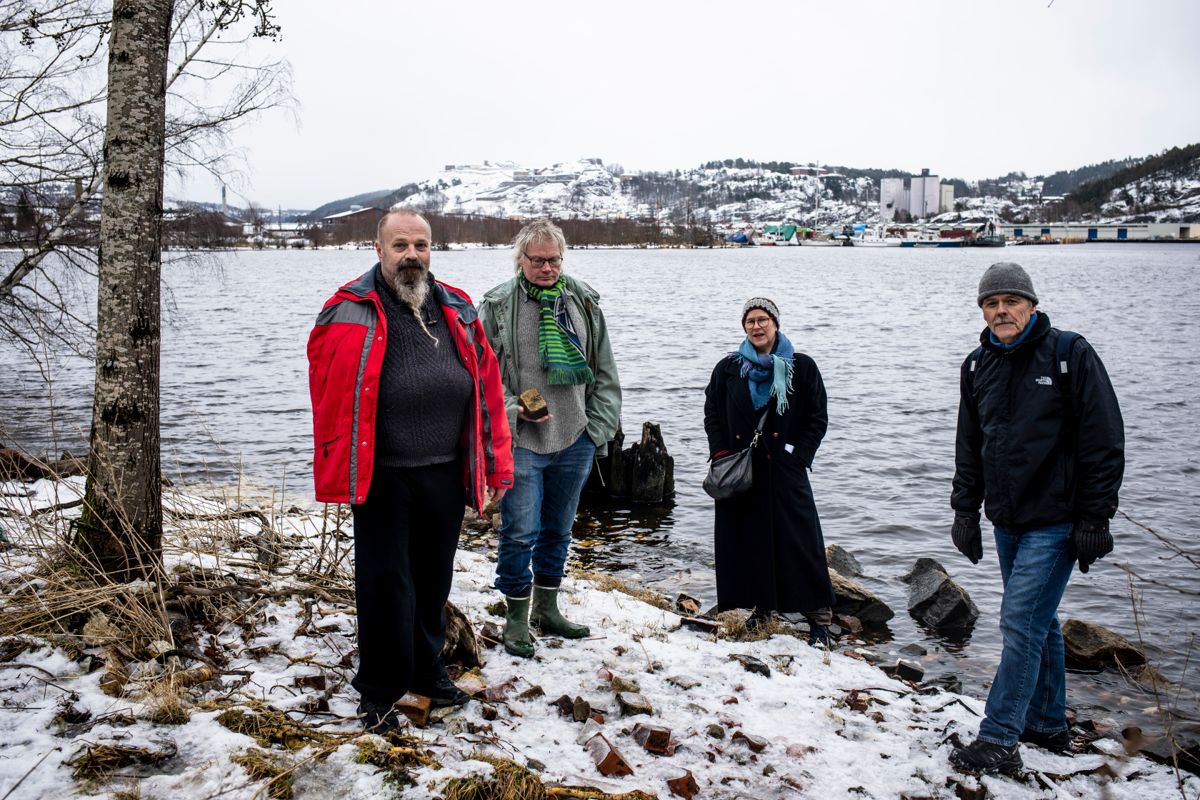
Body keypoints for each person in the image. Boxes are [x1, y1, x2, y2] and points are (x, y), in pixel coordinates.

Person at [307, 208, 513, 732]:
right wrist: (338, 461)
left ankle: (427, 672)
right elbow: (326, 391)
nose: (412, 256)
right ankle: (378, 689)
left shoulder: (459, 308)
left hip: (444, 470)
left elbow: (488, 390)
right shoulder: (346, 309)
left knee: (431, 579)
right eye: (400, 246)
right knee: (384, 583)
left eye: (420, 245)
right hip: (381, 475)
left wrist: (496, 467)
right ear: (378, 250)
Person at [949, 262, 1124, 775]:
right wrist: (965, 510)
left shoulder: (1070, 354)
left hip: (1058, 519)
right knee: (1040, 623)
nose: (1001, 311)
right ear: (982, 310)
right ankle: (1046, 722)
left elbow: (1104, 439)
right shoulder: (977, 365)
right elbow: (970, 445)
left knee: (1019, 620)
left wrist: (1096, 517)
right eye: (991, 303)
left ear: (1030, 305)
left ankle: (1000, 738)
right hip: (1007, 518)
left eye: (1010, 301)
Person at [478, 219, 621, 659]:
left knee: (558, 531)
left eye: (554, 259)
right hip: (522, 441)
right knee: (521, 532)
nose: (546, 268)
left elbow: (604, 370)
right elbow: (478, 376)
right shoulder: (497, 305)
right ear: (520, 259)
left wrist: (597, 429)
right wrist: (508, 409)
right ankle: (517, 619)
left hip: (574, 438)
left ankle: (547, 609)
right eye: (537, 260)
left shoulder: (582, 299)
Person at [703, 297, 836, 645]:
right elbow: (712, 415)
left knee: (800, 541)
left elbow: (817, 418)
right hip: (741, 471)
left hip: (785, 471)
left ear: (775, 324)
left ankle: (819, 618)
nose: (757, 327)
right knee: (750, 541)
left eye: (763, 320)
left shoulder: (801, 367)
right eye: (750, 321)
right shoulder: (728, 369)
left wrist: (798, 454)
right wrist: (719, 453)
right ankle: (763, 609)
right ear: (743, 327)